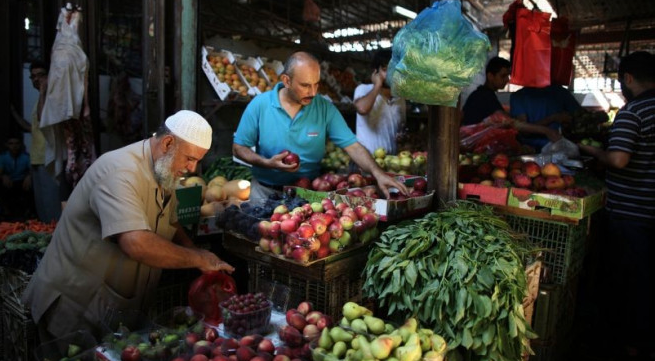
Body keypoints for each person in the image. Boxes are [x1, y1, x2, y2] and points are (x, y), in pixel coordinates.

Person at [23, 110, 235, 343]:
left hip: (111, 307)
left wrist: (198, 254)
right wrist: (197, 259)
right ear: (167, 143)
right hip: (75, 303)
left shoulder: (164, 170)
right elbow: (136, 244)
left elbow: (171, 220)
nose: (193, 169)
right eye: (190, 158)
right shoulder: (119, 171)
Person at [232, 51, 408, 201]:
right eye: (305, 85)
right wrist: (267, 163)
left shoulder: (324, 108)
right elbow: (239, 147)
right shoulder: (260, 105)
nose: (313, 92)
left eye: (316, 84)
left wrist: (378, 173)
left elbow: (352, 146)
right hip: (264, 192)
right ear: (286, 81)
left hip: (307, 195)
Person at [577, 51, 655, 361]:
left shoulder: (633, 111)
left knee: (632, 281)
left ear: (628, 79)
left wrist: (587, 149)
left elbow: (619, 159)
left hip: (632, 214)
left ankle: (633, 348)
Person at [39, 3, 97, 210]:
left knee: (78, 153)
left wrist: (85, 105)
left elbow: (83, 80)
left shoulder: (74, 54)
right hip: (64, 111)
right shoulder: (62, 53)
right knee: (70, 155)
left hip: (74, 110)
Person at [461, 56, 562, 144]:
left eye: (508, 76)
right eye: (503, 76)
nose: (507, 80)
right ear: (490, 76)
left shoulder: (481, 94)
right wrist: (546, 130)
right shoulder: (484, 96)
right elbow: (512, 123)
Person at [10, 60, 62, 223]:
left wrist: (42, 92)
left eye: (40, 75)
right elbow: (33, 128)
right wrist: (14, 114)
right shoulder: (40, 101)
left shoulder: (51, 97)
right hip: (37, 159)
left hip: (49, 160)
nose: (36, 79)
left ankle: (56, 242)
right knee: (42, 208)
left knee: (52, 207)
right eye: (32, 76)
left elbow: (43, 120)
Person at [353, 48, 406, 155]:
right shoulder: (364, 89)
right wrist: (377, 85)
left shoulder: (400, 98)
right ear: (375, 71)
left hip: (391, 162)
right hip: (367, 162)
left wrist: (402, 135)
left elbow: (402, 125)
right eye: (386, 69)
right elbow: (362, 109)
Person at [510, 82, 583, 151]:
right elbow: (524, 130)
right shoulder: (519, 96)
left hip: (558, 146)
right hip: (529, 148)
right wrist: (553, 118)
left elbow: (579, 117)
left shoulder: (561, 92)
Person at [0, 136, 34, 218]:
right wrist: (3, 176)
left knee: (32, 185)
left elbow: (32, 171)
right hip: (9, 182)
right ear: (7, 145)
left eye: (17, 143)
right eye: (11, 144)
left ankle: (28, 213)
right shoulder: (2, 157)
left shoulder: (26, 157)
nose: (14, 146)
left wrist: (29, 176)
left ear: (20, 145)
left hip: (21, 181)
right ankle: (5, 212)